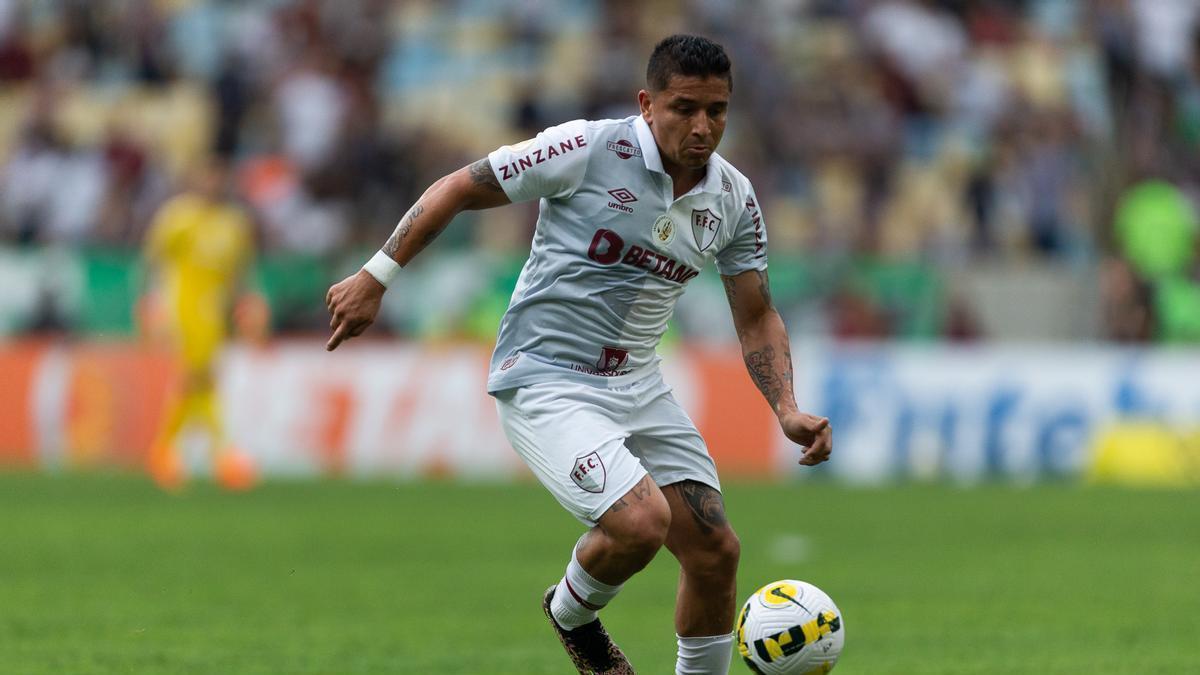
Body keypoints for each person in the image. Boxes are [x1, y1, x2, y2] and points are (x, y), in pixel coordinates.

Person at [325, 35, 832, 675]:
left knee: (715, 552)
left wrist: (786, 408)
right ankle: (572, 615)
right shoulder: (588, 149)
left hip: (639, 384)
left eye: (717, 110)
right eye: (684, 108)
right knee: (642, 523)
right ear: (647, 104)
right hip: (546, 379)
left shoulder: (732, 198)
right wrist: (377, 275)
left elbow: (756, 313)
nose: (702, 127)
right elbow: (460, 186)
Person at [142, 158, 262, 492]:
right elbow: (152, 261)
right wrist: (151, 304)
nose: (213, 183)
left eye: (218, 176)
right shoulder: (177, 218)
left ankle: (165, 449)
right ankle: (223, 454)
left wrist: (244, 305)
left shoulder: (234, 224)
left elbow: (241, 271)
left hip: (215, 312)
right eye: (207, 176)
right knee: (199, 375)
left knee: (198, 379)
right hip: (181, 308)